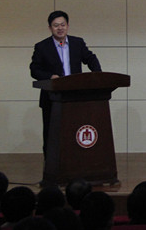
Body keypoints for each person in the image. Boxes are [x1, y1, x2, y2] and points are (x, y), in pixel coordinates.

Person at [30, 10, 102, 156]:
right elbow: (34, 69)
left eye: (62, 25)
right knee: (52, 134)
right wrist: (50, 76)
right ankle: (50, 162)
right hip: (52, 97)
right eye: (56, 25)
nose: (60, 28)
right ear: (50, 28)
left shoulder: (77, 43)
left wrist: (97, 74)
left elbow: (90, 58)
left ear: (68, 26)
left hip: (75, 97)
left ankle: (75, 159)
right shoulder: (42, 46)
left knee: (75, 130)